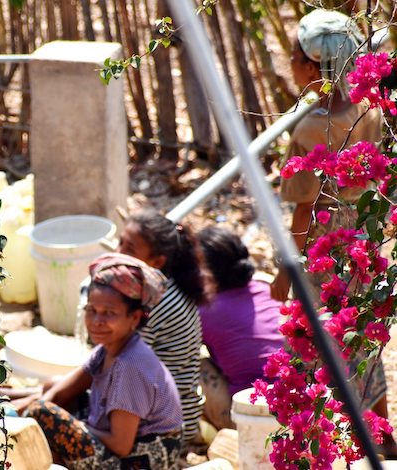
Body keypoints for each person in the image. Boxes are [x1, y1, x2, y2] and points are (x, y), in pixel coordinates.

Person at [268, 9, 397, 455]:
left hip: (327, 251)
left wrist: (287, 271)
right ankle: (382, 434)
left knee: (316, 345)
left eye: (294, 57)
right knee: (361, 336)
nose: (289, 66)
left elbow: (305, 209)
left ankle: (318, 444)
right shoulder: (368, 106)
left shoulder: (309, 127)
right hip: (366, 242)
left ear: (313, 67)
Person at [27, 253, 182, 469]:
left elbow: (121, 445)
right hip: (120, 443)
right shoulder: (107, 350)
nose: (96, 321)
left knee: (43, 417)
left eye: (109, 313)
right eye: (91, 310)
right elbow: (58, 393)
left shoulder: (130, 366)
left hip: (141, 459)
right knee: (49, 395)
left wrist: (66, 424)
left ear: (134, 318)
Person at [113, 208, 206, 443]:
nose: (118, 253)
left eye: (129, 249)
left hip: (164, 427)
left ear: (157, 261)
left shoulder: (154, 301)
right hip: (177, 413)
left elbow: (118, 369)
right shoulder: (165, 286)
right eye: (119, 243)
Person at [196, 226, 285, 431]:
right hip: (297, 406)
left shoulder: (204, 312)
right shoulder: (266, 288)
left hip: (247, 417)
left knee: (191, 363)